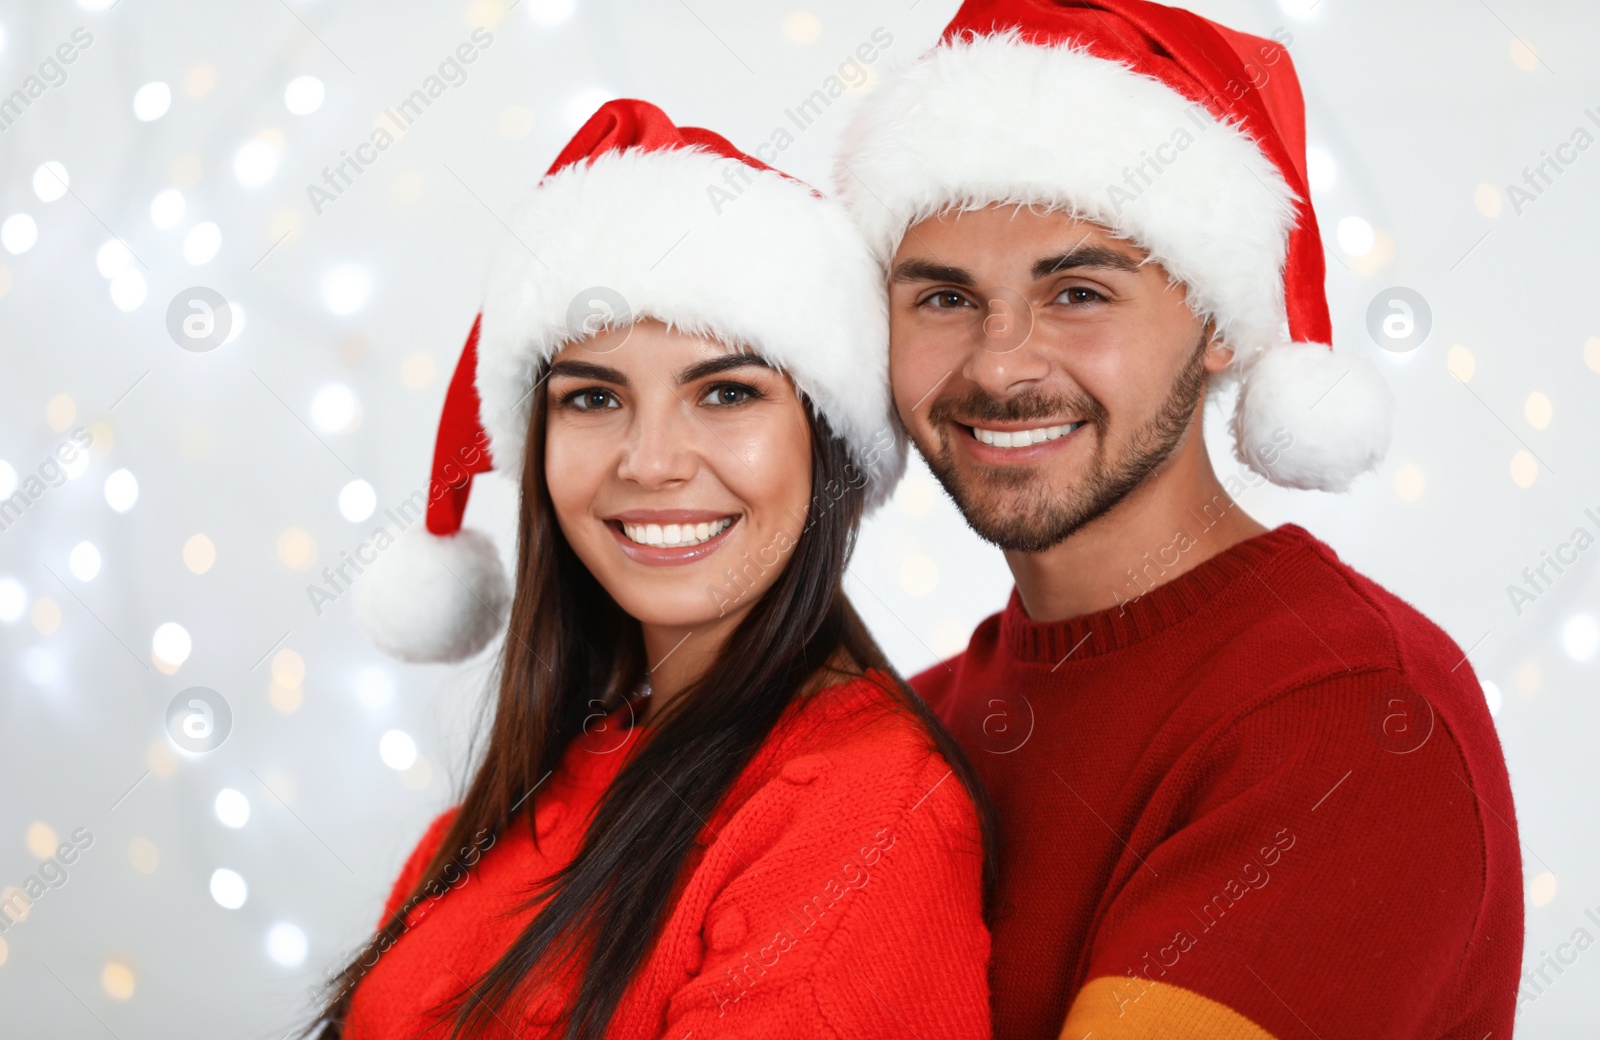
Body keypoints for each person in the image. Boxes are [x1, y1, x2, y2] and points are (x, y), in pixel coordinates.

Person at [834, 1, 1523, 1037]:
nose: (999, 362)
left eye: (1076, 291)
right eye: (942, 298)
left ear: (1215, 324)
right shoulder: (907, 727)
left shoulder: (1349, 721)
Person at [310, 100, 992, 1039]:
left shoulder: (864, 818)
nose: (650, 462)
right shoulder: (520, 793)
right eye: (593, 397)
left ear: (825, 441)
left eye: (725, 393)